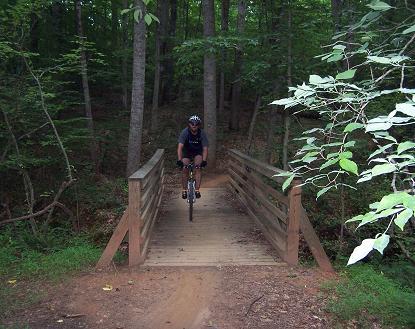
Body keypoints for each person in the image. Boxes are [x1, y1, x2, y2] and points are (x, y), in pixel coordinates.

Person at [177, 115, 209, 199]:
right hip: (186, 151)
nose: (194, 125)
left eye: (196, 124)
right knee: (184, 168)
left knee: (198, 167)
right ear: (189, 124)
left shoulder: (202, 133)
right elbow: (180, 147)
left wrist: (204, 161)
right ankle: (184, 190)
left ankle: (197, 190)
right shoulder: (185, 132)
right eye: (192, 124)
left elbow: (205, 148)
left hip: (197, 151)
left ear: (199, 125)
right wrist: (179, 160)